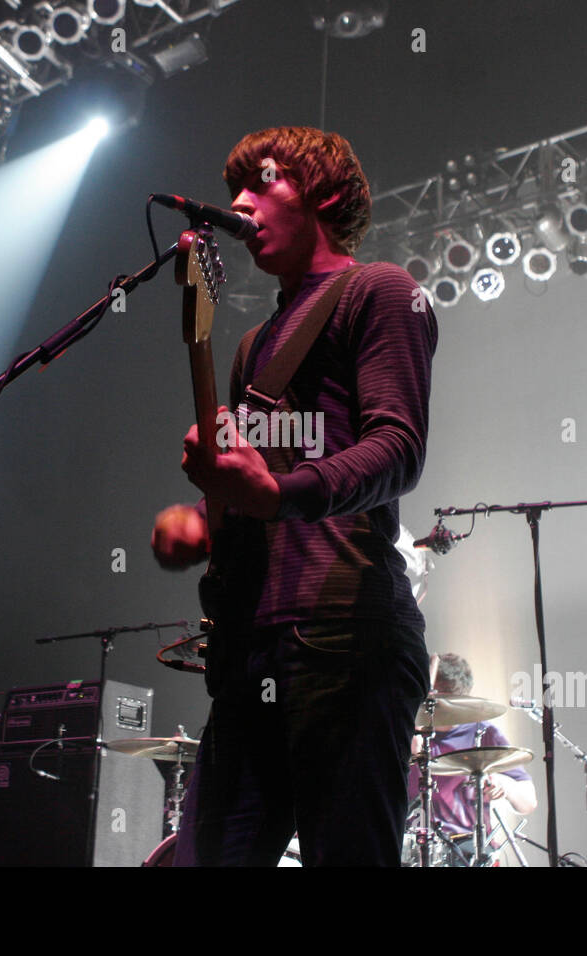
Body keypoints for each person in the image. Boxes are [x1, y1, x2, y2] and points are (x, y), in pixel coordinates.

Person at [151, 126, 438, 866]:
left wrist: (276, 492)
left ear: (327, 195)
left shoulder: (381, 292)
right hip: (251, 651)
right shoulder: (251, 348)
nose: (240, 203)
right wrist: (206, 522)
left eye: (264, 181)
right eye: (235, 188)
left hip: (346, 639)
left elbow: (398, 449)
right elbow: (257, 494)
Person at [408, 653, 536, 863]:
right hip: (411, 847)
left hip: (468, 851)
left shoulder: (484, 733)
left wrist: (503, 784)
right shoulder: (404, 735)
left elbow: (528, 802)